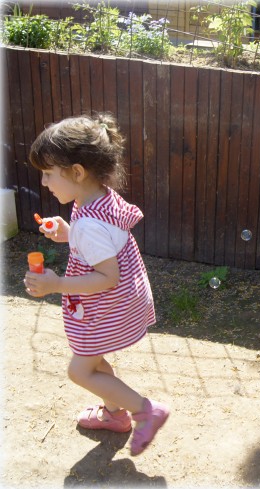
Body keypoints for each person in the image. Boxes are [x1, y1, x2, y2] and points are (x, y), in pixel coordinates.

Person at [24, 113, 169, 456]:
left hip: (105, 303)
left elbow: (107, 276)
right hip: (117, 300)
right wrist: (69, 233)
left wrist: (57, 283)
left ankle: (145, 411)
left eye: (47, 173)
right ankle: (114, 414)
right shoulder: (98, 198)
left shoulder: (89, 222)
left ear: (77, 172)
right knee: (91, 360)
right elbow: (103, 239)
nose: (44, 182)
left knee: (80, 370)